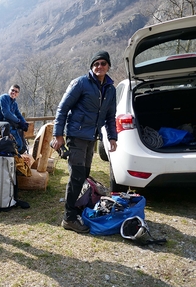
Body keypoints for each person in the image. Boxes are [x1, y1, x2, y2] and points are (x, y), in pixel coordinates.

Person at [51, 51, 118, 233]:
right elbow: (63, 108)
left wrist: (112, 137)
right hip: (76, 136)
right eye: (95, 64)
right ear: (91, 66)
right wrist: (58, 135)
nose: (99, 67)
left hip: (91, 138)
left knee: (85, 173)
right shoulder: (81, 83)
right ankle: (69, 218)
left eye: (103, 63)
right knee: (77, 176)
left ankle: (75, 209)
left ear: (108, 66)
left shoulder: (111, 89)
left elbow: (111, 116)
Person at [0, 84, 29, 153]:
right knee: (7, 124)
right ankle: (5, 150)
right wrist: (19, 121)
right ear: (9, 90)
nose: (13, 92)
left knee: (18, 128)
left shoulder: (14, 103)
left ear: (18, 94)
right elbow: (6, 113)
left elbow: (18, 114)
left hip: (4, 123)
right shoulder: (4, 98)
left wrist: (24, 123)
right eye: (12, 90)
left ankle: (19, 149)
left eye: (16, 91)